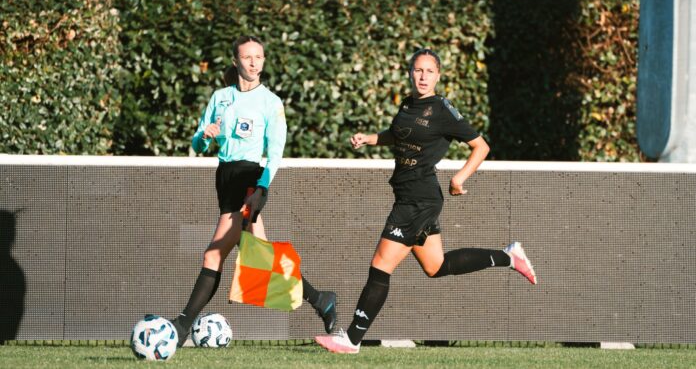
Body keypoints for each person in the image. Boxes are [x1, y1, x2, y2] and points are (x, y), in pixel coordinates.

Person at [315, 48, 537, 354]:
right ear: (410, 72)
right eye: (418, 70)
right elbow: (400, 134)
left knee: (381, 264)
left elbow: (480, 147)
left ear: (438, 75)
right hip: (409, 195)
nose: (423, 76)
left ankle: (351, 338)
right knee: (436, 266)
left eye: (429, 71)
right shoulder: (408, 103)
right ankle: (509, 257)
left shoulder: (442, 110)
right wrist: (370, 138)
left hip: (419, 199)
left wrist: (459, 179)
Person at [171, 35, 337, 347]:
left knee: (214, 253)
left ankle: (182, 325)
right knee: (262, 258)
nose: (253, 63)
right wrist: (203, 137)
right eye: (247, 57)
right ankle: (321, 299)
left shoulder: (271, 103)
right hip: (225, 177)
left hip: (249, 179)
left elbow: (274, 155)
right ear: (235, 61)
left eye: (258, 57)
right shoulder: (220, 97)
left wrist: (261, 188)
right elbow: (198, 142)